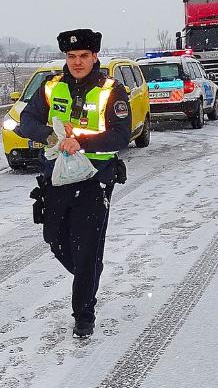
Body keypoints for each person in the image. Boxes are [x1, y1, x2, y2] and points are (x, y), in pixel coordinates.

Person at [16, 28, 132, 338]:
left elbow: (121, 135)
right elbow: (26, 121)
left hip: (95, 178)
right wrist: (50, 136)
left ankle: (84, 314)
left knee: (87, 247)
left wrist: (81, 142)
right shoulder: (51, 87)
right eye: (71, 56)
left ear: (95, 57)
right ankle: (89, 271)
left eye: (83, 56)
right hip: (57, 177)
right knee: (54, 239)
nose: (77, 62)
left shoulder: (111, 90)